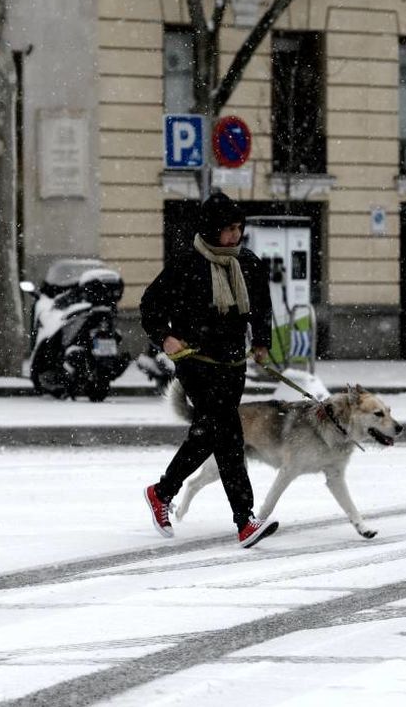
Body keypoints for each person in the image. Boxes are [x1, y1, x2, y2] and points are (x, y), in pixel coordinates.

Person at [140, 191, 277, 548]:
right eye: (228, 229)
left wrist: (262, 342)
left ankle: (162, 491)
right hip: (196, 360)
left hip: (233, 362)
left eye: (238, 228)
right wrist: (165, 338)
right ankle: (244, 520)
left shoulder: (248, 263)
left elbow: (262, 307)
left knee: (208, 432)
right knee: (229, 432)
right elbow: (150, 305)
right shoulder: (187, 264)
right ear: (210, 229)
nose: (235, 235)